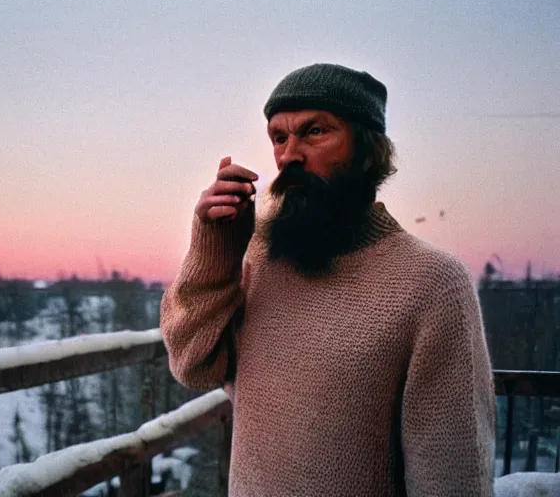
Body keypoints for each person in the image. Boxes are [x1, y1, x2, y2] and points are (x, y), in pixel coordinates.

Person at [160, 63, 496, 496]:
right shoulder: (264, 255)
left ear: (369, 148)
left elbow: (452, 476)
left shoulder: (432, 283)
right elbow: (194, 365)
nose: (289, 155)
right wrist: (216, 249)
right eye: (279, 137)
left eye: (314, 131)